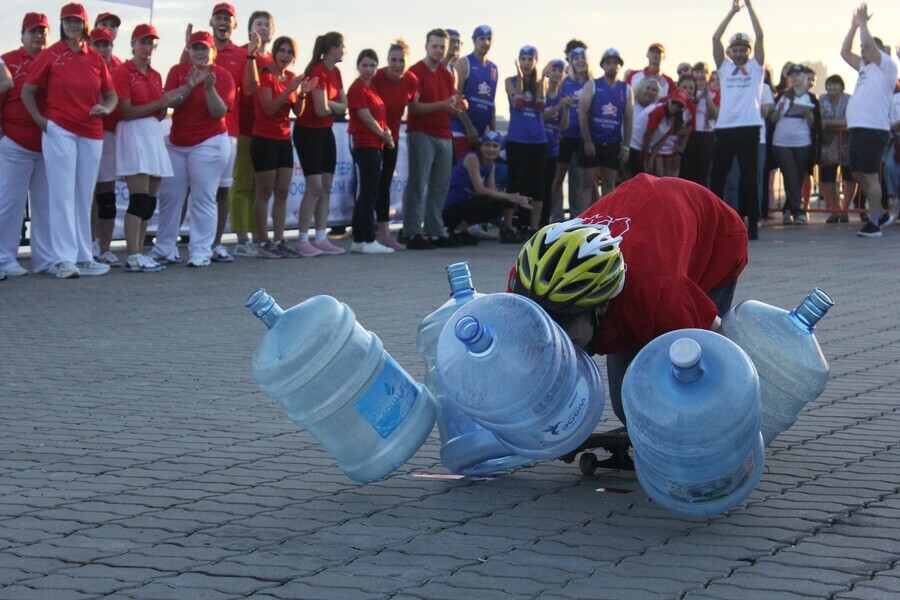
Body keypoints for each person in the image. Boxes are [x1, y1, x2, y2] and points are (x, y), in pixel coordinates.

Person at [510, 174, 748, 426]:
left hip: (714, 236)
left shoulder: (661, 294)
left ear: (601, 305)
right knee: (628, 406)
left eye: (568, 331)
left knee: (678, 388)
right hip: (643, 220)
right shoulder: (525, 286)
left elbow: (725, 349)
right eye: (548, 323)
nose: (559, 342)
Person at [21, 2, 118, 279]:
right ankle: (63, 259)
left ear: (85, 25)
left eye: (77, 21)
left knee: (83, 197)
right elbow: (28, 91)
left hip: (91, 132)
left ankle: (82, 256)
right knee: (61, 195)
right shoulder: (51, 55)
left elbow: (110, 94)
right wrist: (42, 122)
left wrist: (107, 108)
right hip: (60, 129)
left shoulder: (95, 57)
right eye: (68, 21)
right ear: (62, 24)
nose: (73, 26)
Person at [150, 30, 234, 268]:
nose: (199, 52)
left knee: (203, 197)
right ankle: (164, 248)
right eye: (195, 47)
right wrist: (188, 86)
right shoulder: (177, 71)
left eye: (204, 47)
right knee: (170, 197)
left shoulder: (222, 75)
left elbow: (219, 112)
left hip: (209, 142)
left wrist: (208, 89)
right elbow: (168, 104)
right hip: (178, 142)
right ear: (188, 50)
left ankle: (200, 251)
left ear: (212, 51)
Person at [113, 23, 175, 273]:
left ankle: (140, 252)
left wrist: (164, 106)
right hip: (133, 134)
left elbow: (158, 112)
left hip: (152, 134)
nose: (147, 47)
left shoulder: (156, 74)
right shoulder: (122, 71)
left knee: (149, 201)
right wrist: (160, 103)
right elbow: (125, 111)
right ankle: (133, 254)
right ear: (133, 44)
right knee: (138, 198)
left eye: (151, 43)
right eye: (143, 42)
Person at [251, 36, 315, 258]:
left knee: (282, 191)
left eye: (290, 53)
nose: (285, 56)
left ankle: (279, 239)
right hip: (263, 139)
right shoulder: (266, 76)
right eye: (282, 51)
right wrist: (290, 89)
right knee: (265, 191)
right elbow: (269, 108)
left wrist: (303, 93)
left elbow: (297, 112)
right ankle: (262, 240)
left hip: (283, 139)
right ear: (275, 52)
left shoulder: (290, 78)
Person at [0, 13, 52, 279]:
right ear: (22, 34)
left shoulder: (54, 59)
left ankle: (45, 259)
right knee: (10, 204)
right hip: (15, 143)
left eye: (43, 31)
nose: (38, 36)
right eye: (33, 31)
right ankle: (3, 259)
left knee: (46, 206)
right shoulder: (7, 60)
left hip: (48, 147)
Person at [709, 0, 766, 240]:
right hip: (725, 128)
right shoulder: (723, 67)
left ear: (749, 52)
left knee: (749, 179)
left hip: (749, 128)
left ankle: (751, 223)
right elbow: (715, 39)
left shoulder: (756, 68)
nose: (739, 53)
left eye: (744, 49)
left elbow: (761, 36)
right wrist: (732, 12)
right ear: (730, 52)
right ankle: (713, 222)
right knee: (718, 177)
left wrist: (751, 8)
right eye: (735, 49)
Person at [840, 3, 897, 237]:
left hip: (874, 129)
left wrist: (864, 24)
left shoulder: (887, 67)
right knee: (857, 172)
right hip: (859, 128)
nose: (863, 51)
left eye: (868, 47)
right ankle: (880, 213)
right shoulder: (864, 68)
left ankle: (874, 223)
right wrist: (854, 27)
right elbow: (844, 52)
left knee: (870, 175)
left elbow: (870, 48)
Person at [403, 29, 463, 250]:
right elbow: (413, 107)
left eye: (442, 47)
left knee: (440, 186)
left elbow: (452, 104)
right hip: (421, 133)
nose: (438, 50)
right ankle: (412, 231)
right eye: (435, 46)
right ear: (427, 46)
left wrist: (458, 107)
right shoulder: (415, 72)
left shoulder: (446, 73)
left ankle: (434, 229)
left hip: (443, 133)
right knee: (418, 184)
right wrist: (444, 105)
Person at [293, 31, 348, 256]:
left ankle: (321, 237)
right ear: (333, 49)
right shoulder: (317, 71)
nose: (345, 50)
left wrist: (333, 104)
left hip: (326, 132)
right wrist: (334, 105)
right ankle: (303, 239)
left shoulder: (336, 72)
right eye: (343, 46)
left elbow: (344, 105)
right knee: (314, 186)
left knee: (326, 186)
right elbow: (320, 109)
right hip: (308, 132)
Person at [231, 10, 275, 257]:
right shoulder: (242, 54)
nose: (263, 28)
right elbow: (247, 90)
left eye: (267, 25)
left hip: (267, 131)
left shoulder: (274, 57)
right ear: (249, 29)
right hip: (244, 126)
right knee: (242, 183)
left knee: (259, 187)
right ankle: (241, 238)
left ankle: (258, 236)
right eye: (259, 24)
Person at [347, 48, 395, 254]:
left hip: (376, 144)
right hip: (363, 143)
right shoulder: (357, 88)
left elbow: (379, 117)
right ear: (358, 66)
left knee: (368, 192)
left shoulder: (373, 88)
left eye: (372, 65)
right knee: (368, 193)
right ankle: (367, 239)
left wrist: (386, 132)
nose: (368, 69)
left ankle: (359, 239)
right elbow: (365, 117)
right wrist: (383, 134)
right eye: (364, 65)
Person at [443, 130, 532, 241]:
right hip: (449, 210)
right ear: (481, 147)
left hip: (463, 208)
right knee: (485, 200)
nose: (491, 149)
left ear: (500, 149)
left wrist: (516, 200)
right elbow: (480, 190)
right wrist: (510, 196)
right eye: (487, 145)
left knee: (499, 203)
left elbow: (492, 191)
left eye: (495, 146)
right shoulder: (472, 158)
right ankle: (456, 231)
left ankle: (461, 230)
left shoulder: (491, 165)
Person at [372, 39, 417, 250]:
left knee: (385, 185)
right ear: (387, 60)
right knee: (370, 185)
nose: (397, 64)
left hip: (393, 139)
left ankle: (384, 234)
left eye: (401, 60)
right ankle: (364, 232)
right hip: (373, 137)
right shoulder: (377, 77)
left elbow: (415, 107)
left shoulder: (411, 80)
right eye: (393, 60)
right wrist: (380, 132)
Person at [503, 45, 547, 239]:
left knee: (537, 183)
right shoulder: (510, 81)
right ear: (518, 61)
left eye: (530, 59)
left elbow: (539, 105)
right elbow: (518, 102)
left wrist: (542, 79)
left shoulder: (539, 83)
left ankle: (532, 227)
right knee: (515, 182)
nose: (527, 63)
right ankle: (508, 226)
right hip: (516, 138)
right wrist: (521, 77)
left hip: (537, 139)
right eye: (524, 59)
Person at [578, 48, 632, 200]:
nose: (612, 66)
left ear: (619, 66)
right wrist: (587, 141)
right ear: (603, 65)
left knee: (609, 183)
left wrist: (626, 147)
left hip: (613, 141)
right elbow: (583, 112)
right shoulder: (592, 85)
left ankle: (607, 221)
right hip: (593, 140)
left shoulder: (626, 89)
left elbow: (628, 119)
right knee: (587, 183)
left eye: (615, 63)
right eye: (608, 63)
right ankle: (581, 221)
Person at [769, 63, 821, 225]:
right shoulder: (782, 96)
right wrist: (779, 109)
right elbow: (772, 120)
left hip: (803, 142)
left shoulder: (811, 98)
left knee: (797, 176)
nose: (795, 78)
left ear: (805, 77)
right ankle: (798, 209)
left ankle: (789, 208)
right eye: (792, 75)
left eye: (798, 75)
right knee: (790, 174)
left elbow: (816, 124)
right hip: (781, 142)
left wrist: (808, 115)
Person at [89, 27, 121, 267]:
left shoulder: (120, 68)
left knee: (106, 196)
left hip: (109, 134)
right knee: (88, 195)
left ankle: (105, 247)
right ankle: (88, 243)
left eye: (106, 45)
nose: (102, 49)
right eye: (97, 44)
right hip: (86, 135)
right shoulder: (83, 65)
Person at [549, 45, 590, 221]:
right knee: (557, 178)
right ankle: (556, 215)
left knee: (578, 180)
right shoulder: (564, 82)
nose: (580, 61)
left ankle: (576, 217)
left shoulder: (592, 83)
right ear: (571, 61)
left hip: (583, 138)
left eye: (583, 58)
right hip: (564, 136)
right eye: (576, 58)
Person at [450, 25, 497, 161]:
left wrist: (493, 132)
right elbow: (456, 97)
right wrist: (469, 129)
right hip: (461, 131)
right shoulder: (464, 62)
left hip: (481, 133)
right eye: (482, 39)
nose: (486, 43)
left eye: (489, 39)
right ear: (474, 40)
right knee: (460, 175)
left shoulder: (493, 68)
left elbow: (491, 102)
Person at [540, 58, 572, 226]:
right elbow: (541, 117)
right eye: (554, 70)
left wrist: (566, 109)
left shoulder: (562, 95)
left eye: (561, 70)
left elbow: (563, 126)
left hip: (553, 146)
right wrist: (559, 106)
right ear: (548, 72)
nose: (557, 73)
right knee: (536, 183)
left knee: (550, 185)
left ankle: (546, 220)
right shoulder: (542, 92)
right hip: (538, 145)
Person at [819, 74, 855, 223]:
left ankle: (845, 209)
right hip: (828, 145)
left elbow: (851, 120)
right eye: (829, 84)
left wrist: (830, 123)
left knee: (849, 176)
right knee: (828, 177)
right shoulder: (822, 99)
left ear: (842, 86)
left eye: (835, 84)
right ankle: (833, 209)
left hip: (847, 143)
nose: (832, 87)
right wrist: (839, 123)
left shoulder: (849, 99)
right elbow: (821, 121)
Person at [680, 62, 719, 186]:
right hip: (689, 135)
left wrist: (707, 96)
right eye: (697, 72)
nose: (700, 75)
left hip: (706, 136)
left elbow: (715, 114)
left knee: (703, 171)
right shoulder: (688, 90)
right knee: (686, 171)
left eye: (703, 72)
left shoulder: (715, 93)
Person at [641, 88, 691, 177]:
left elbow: (664, 137)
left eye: (679, 105)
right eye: (674, 102)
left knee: (667, 175)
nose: (675, 107)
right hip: (639, 146)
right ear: (669, 99)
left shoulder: (674, 117)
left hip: (654, 148)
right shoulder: (659, 110)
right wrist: (646, 158)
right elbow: (647, 135)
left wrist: (651, 157)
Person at [625, 77, 661, 177]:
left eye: (654, 90)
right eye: (648, 88)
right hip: (626, 148)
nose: (650, 92)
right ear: (640, 89)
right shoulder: (630, 104)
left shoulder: (656, 109)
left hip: (644, 152)